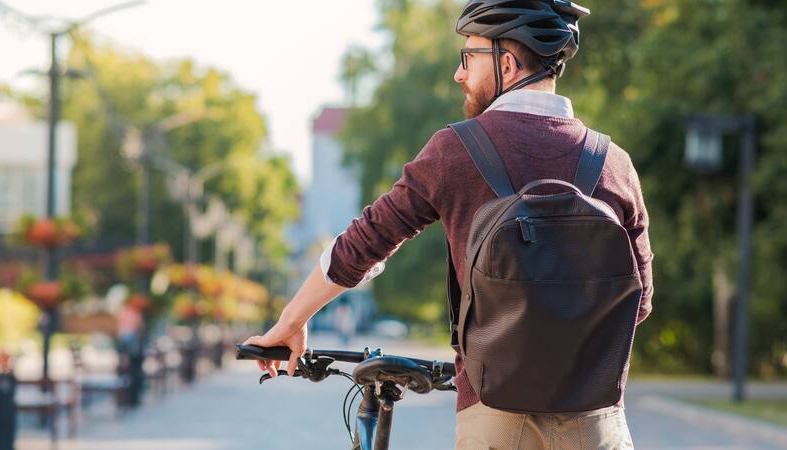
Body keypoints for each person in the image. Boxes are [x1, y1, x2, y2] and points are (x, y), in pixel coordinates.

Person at [243, 1, 653, 448]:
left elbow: (363, 244)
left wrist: (292, 320)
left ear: (507, 64)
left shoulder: (456, 151)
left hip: (496, 419)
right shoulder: (614, 164)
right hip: (597, 424)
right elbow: (639, 301)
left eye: (468, 57)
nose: (459, 74)